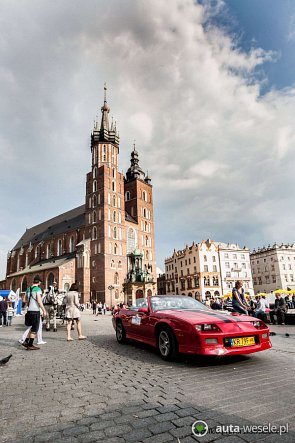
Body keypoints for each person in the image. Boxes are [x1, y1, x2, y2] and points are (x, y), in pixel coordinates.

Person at [23, 276, 47, 350]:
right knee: (34, 329)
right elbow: (39, 301)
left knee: (31, 327)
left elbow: (24, 300)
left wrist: (29, 304)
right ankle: (30, 345)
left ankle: (26, 341)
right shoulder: (38, 289)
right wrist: (44, 310)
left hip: (29, 311)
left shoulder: (28, 289)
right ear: (39, 282)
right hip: (35, 311)